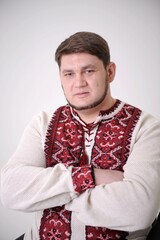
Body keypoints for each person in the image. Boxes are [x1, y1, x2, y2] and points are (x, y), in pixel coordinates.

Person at [1, 31, 160, 240]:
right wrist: (90, 176)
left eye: (89, 71)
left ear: (110, 71)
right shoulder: (43, 123)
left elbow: (140, 210)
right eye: (69, 74)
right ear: (60, 77)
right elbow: (10, 190)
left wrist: (47, 194)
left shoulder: (146, 127)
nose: (79, 83)